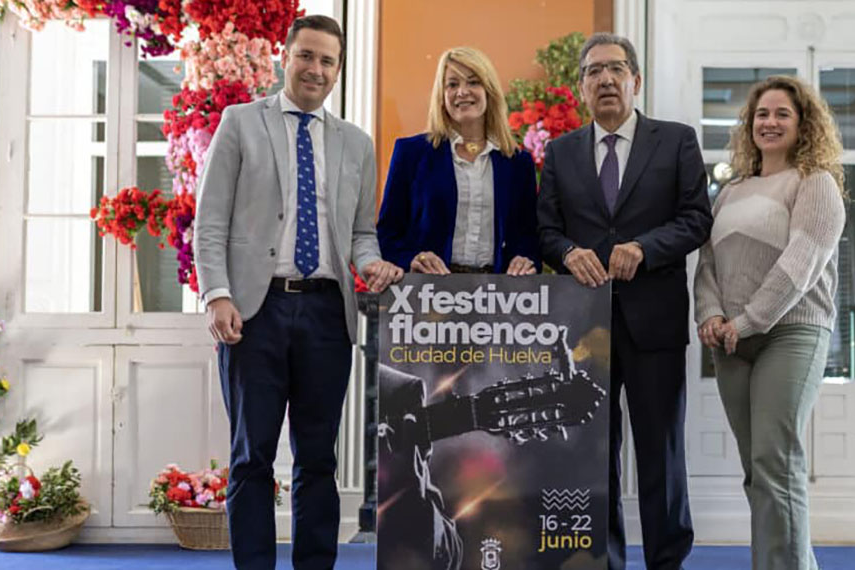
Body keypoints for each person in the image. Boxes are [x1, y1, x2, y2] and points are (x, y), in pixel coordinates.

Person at [193, 14, 403, 570]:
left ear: (337, 71)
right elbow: (209, 223)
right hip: (253, 313)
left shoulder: (356, 144)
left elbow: (360, 232)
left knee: (317, 459)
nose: (315, 69)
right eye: (306, 55)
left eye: (327, 60)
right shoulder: (240, 124)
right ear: (285, 57)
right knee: (251, 458)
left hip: (327, 315)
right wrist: (217, 294)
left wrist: (373, 264)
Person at [537, 32, 713, 570]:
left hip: (654, 323)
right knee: (593, 454)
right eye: (594, 71)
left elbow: (697, 220)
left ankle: (666, 560)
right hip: (582, 328)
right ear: (582, 88)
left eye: (617, 69)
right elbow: (545, 229)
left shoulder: (677, 140)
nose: (606, 79)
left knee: (661, 454)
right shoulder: (561, 152)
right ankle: (604, 560)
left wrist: (645, 247)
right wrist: (567, 253)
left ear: (637, 81)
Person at [693, 75, 846, 570]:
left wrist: (750, 320)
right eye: (762, 114)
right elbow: (709, 262)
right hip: (733, 339)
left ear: (804, 124)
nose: (770, 122)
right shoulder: (732, 191)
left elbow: (802, 263)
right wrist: (712, 315)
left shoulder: (816, 184)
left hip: (791, 333)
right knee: (757, 472)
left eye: (782, 113)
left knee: (776, 463)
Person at [377, 46, 539, 276]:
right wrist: (414, 259)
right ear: (441, 96)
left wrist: (526, 260)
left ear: (489, 91)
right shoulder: (411, 153)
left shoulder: (517, 162)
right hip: (429, 295)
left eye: (473, 82)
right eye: (452, 84)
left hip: (498, 297)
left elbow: (528, 237)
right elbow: (387, 235)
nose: (462, 92)